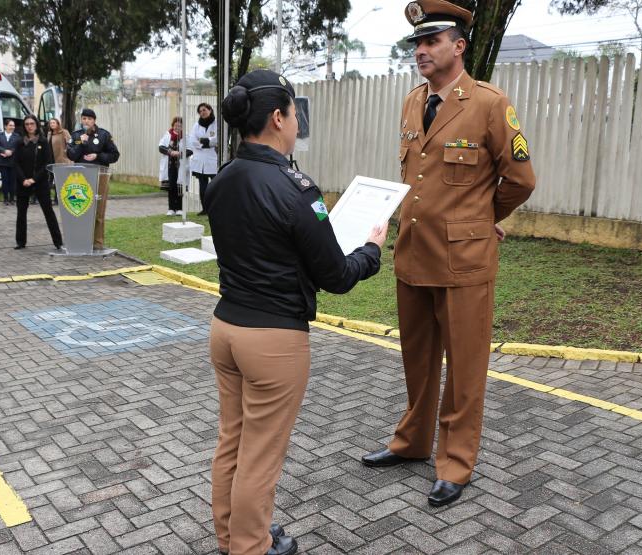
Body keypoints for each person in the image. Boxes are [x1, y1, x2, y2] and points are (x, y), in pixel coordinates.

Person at [361, 0, 536, 508]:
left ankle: (456, 462)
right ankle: (412, 442)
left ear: (458, 46)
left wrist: (482, 220)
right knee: (416, 359)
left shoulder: (488, 103)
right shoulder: (413, 101)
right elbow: (415, 179)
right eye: (416, 42)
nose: (420, 51)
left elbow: (521, 178)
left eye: (431, 41)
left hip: (464, 261)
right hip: (414, 253)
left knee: (463, 367)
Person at [206, 69, 386, 555]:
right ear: (278, 118)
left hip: (226, 327)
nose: (296, 122)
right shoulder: (295, 188)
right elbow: (336, 276)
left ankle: (235, 537)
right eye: (292, 113)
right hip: (273, 339)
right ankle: (250, 547)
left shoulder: (222, 178)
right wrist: (371, 250)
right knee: (260, 456)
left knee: (233, 442)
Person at [66, 108, 119, 250]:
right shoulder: (77, 136)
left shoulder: (103, 135)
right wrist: (81, 143)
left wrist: (98, 156)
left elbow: (114, 155)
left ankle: (98, 242)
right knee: (81, 209)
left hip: (100, 176)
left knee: (99, 211)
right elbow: (70, 155)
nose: (86, 121)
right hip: (80, 178)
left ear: (94, 120)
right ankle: (81, 240)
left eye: (89, 119)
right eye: (84, 118)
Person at [12, 115, 63, 251]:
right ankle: (20, 242)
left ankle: (58, 242)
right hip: (23, 183)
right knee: (21, 213)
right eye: (27, 124)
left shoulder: (43, 141)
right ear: (24, 126)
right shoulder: (19, 142)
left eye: (32, 123)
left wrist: (34, 179)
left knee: (48, 212)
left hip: (39, 182)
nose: (29, 126)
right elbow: (15, 163)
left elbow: (47, 163)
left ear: (36, 125)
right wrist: (23, 179)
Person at [190, 102, 218, 215]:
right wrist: (205, 143)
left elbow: (217, 138)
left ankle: (215, 208)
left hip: (212, 158)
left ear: (210, 110)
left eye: (204, 110)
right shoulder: (196, 125)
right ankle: (205, 209)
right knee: (203, 186)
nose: (202, 112)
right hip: (200, 159)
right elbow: (193, 140)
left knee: (215, 185)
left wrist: (207, 141)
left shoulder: (216, 124)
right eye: (200, 111)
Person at [158, 116, 190, 216]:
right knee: (171, 187)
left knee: (179, 187)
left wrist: (180, 154)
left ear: (182, 127)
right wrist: (170, 152)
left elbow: (190, 150)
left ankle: (180, 208)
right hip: (170, 166)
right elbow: (161, 147)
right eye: (176, 125)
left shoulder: (186, 136)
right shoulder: (167, 135)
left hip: (181, 166)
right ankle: (171, 208)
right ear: (173, 125)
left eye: (180, 125)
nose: (177, 127)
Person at [0, 119, 21, 206]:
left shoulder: (17, 136)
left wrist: (11, 152)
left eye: (13, 125)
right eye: (10, 125)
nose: (12, 127)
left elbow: (19, 146)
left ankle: (12, 198)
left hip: (13, 161)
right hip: (2, 162)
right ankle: (5, 198)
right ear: (5, 126)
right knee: (5, 180)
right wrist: (4, 151)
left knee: (12, 181)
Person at [47, 118, 70, 205]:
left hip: (61, 160)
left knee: (59, 180)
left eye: (53, 123)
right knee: (50, 180)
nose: (52, 124)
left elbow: (70, 143)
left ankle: (58, 199)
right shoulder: (49, 133)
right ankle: (48, 199)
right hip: (50, 160)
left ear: (57, 123)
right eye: (50, 123)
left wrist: (66, 152)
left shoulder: (64, 132)